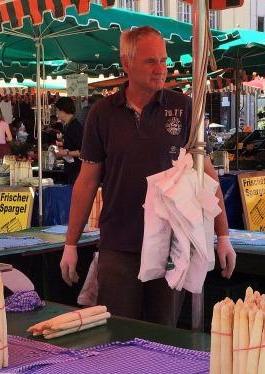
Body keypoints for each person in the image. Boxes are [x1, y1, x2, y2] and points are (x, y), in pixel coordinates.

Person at [59, 26, 236, 326]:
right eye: (150, 61)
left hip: (172, 247)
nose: (160, 69)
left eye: (163, 60)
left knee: (163, 334)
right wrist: (71, 244)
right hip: (119, 246)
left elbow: (206, 176)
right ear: (126, 64)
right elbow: (87, 182)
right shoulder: (102, 113)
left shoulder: (183, 108)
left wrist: (224, 236)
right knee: (117, 335)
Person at [52, 97, 83, 184]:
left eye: (57, 110)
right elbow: (73, 144)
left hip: (77, 171)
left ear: (63, 111)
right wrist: (62, 144)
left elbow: (83, 151)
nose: (56, 113)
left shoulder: (75, 127)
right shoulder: (69, 125)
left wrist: (66, 153)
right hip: (71, 169)